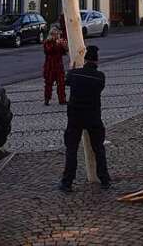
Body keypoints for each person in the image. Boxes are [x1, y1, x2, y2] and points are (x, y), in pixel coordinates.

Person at [59, 45, 110, 191]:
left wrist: (72, 68)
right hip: (93, 116)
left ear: (86, 59)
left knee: (71, 150)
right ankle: (104, 179)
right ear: (97, 61)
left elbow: (66, 81)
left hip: (75, 116)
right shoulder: (100, 76)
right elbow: (99, 87)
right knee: (98, 149)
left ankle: (67, 182)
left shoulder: (74, 74)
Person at [43, 28, 69, 106]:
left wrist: (65, 46)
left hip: (59, 65)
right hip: (50, 66)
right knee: (48, 83)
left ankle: (62, 99)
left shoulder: (59, 42)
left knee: (61, 83)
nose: (57, 36)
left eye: (57, 34)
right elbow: (48, 50)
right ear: (51, 35)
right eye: (55, 34)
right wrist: (56, 44)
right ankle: (47, 99)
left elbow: (64, 52)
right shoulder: (47, 42)